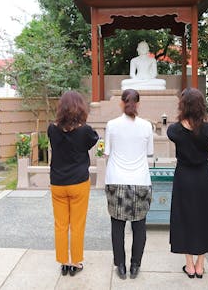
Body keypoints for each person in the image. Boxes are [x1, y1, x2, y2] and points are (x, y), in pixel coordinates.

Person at [167, 88, 208, 279]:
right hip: (203, 177)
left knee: (185, 218)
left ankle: (189, 265)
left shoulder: (174, 130)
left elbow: (175, 131)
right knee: (204, 217)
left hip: (184, 177)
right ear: (201, 106)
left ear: (183, 105)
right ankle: (200, 265)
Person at [47, 90, 99, 277]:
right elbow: (94, 139)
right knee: (77, 224)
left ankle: (64, 262)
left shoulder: (52, 129)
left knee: (60, 224)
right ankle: (75, 262)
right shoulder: (85, 130)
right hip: (78, 182)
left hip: (58, 183)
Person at [104, 88, 154, 280]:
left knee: (117, 226)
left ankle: (121, 266)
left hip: (116, 180)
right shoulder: (146, 126)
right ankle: (135, 265)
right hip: (140, 181)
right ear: (138, 104)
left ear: (121, 103)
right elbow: (148, 152)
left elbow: (107, 151)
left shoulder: (112, 125)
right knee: (139, 226)